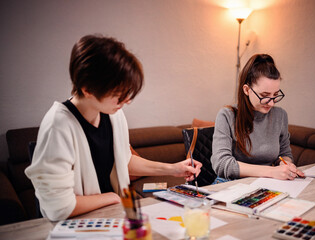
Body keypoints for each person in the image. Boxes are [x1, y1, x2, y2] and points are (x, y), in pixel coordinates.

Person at [25, 34, 202, 221]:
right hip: (78, 225)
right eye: (119, 94)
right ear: (87, 89)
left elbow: (124, 160)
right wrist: (111, 197)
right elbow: (58, 207)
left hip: (113, 217)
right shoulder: (58, 125)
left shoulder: (113, 114)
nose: (127, 101)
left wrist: (173, 169)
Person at [211, 54, 304, 181]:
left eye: (275, 95)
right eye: (264, 95)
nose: (271, 103)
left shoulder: (280, 115)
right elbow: (221, 164)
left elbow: (284, 154)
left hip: (267, 183)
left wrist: (285, 165)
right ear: (246, 90)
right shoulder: (227, 115)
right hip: (231, 184)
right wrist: (271, 172)